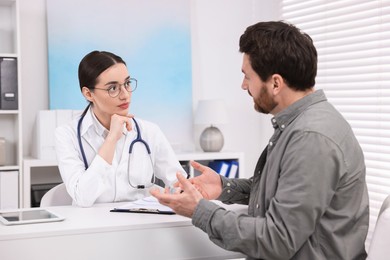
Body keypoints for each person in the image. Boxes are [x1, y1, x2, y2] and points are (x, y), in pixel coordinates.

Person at [151, 21, 369, 259]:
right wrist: (224, 187)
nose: (243, 85)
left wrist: (199, 211)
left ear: (276, 83)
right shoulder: (302, 123)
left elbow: (277, 240)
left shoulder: (311, 138)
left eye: (247, 76)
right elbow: (284, 190)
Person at [55, 50, 186, 207]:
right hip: (91, 227)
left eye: (127, 84)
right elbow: (83, 198)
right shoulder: (67, 135)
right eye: (113, 88)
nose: (125, 95)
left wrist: (180, 191)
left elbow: (179, 184)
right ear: (89, 94)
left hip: (141, 224)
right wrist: (111, 139)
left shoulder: (149, 132)